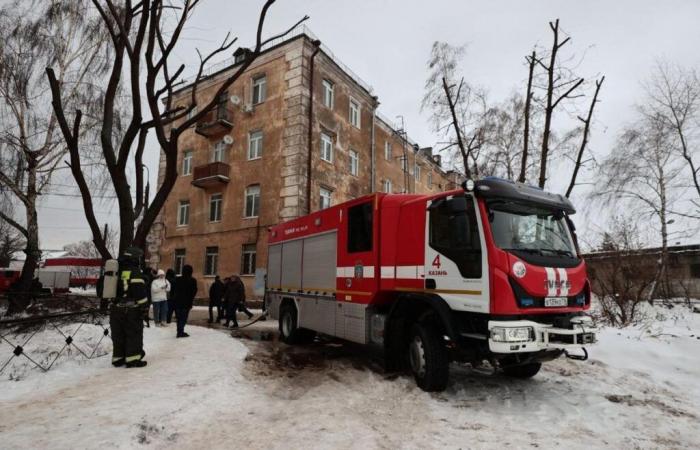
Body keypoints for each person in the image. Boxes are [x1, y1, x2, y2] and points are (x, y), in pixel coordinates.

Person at [109, 246, 149, 368]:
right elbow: (139, 292)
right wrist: (144, 307)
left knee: (118, 335)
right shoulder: (135, 272)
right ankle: (133, 359)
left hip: (116, 309)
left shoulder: (117, 270)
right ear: (134, 258)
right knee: (133, 334)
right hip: (131, 310)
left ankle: (118, 358)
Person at [172, 264, 197, 338]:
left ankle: (179, 331)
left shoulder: (177, 279)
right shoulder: (192, 280)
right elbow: (194, 291)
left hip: (177, 301)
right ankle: (180, 332)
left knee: (179, 317)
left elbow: (174, 290)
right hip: (187, 302)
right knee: (184, 317)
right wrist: (191, 298)